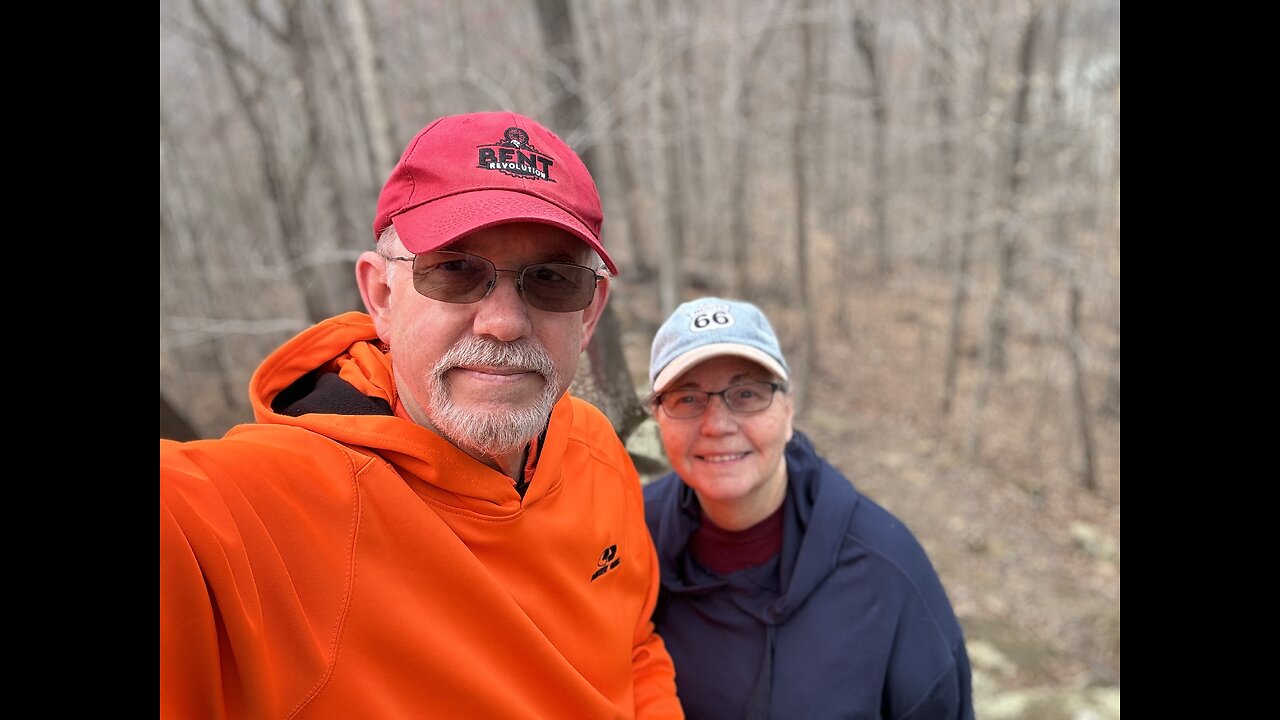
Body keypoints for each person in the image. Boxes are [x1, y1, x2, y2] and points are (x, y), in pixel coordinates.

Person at [160, 111, 684, 719]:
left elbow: (635, 644)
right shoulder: (275, 510)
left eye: (550, 279)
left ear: (589, 313)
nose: (504, 323)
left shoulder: (593, 446)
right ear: (381, 294)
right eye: (456, 270)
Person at [643, 297, 974, 720]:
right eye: (687, 399)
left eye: (746, 394)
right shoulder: (629, 539)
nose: (717, 424)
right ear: (657, 417)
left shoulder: (885, 570)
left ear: (788, 407)